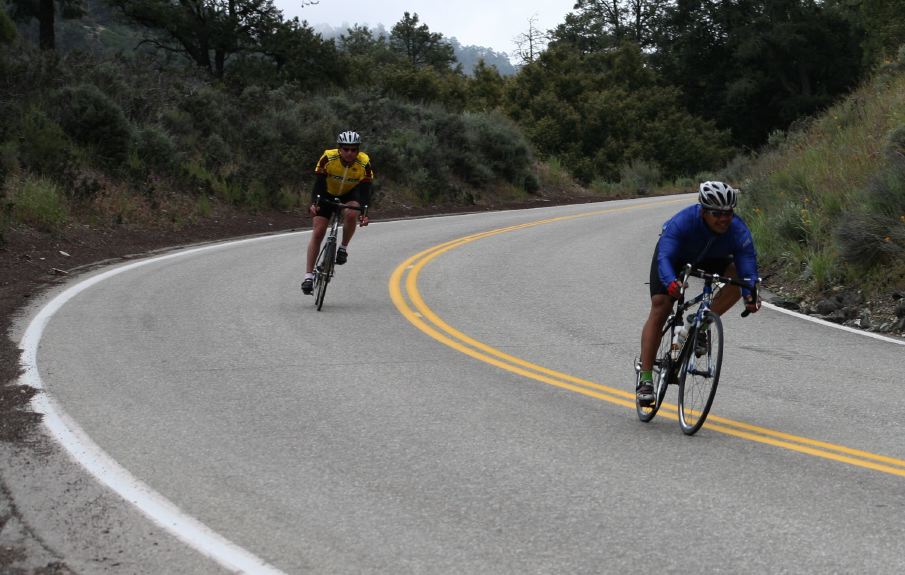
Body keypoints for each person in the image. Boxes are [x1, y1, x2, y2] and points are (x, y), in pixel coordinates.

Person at [637, 181, 761, 405]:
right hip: (674, 259)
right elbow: (665, 257)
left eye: (729, 213)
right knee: (661, 304)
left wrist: (750, 294)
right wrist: (671, 283)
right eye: (717, 213)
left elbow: (748, 265)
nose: (724, 219)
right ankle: (646, 378)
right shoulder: (683, 222)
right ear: (703, 212)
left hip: (711, 258)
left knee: (737, 278)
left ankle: (700, 322)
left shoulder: (738, 230)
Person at [301, 131, 372, 295]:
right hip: (326, 193)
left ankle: (343, 248)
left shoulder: (364, 162)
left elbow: (366, 189)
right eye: (346, 149)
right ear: (339, 149)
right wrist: (314, 203)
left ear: (358, 150)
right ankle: (308, 277)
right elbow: (318, 183)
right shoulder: (328, 157)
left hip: (349, 194)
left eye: (353, 150)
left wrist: (365, 212)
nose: (349, 153)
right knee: (318, 232)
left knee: (352, 212)